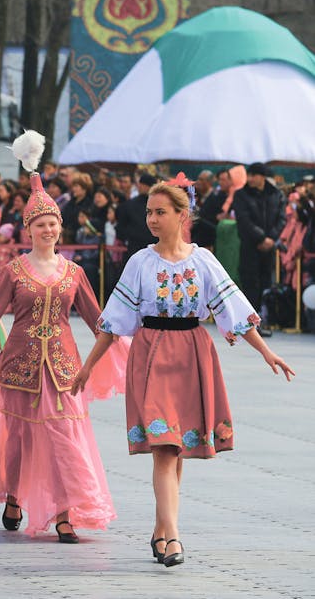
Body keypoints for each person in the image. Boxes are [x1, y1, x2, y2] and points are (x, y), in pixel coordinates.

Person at [76, 175, 294, 567]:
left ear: (182, 215)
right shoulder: (140, 262)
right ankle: (174, 536)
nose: (153, 219)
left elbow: (232, 307)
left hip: (193, 353)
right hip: (151, 354)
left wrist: (266, 352)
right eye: (149, 213)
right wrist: (87, 367)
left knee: (177, 448)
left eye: (161, 212)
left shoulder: (203, 261)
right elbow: (113, 322)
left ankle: (162, 529)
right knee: (164, 446)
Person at [0, 131, 125, 543]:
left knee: (64, 435)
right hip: (18, 366)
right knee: (16, 437)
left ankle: (66, 511)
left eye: (52, 223)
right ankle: (13, 496)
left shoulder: (75, 273)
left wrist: (127, 342)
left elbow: (97, 319)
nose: (47, 230)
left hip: (64, 367)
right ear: (29, 229)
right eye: (39, 224)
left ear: (59, 227)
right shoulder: (13, 270)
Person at [233, 162, 286, 327]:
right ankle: (250, 320)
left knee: (266, 282)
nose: (249, 179)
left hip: (269, 247)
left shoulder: (276, 194)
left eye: (253, 175)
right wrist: (261, 237)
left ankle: (264, 319)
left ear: (262, 177)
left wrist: (271, 238)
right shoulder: (241, 194)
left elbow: (281, 219)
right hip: (250, 246)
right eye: (248, 175)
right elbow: (243, 220)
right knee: (250, 282)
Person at [117, 174, 158, 255]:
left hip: (135, 248)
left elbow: (121, 227)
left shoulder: (128, 205)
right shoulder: (160, 204)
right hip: (154, 247)